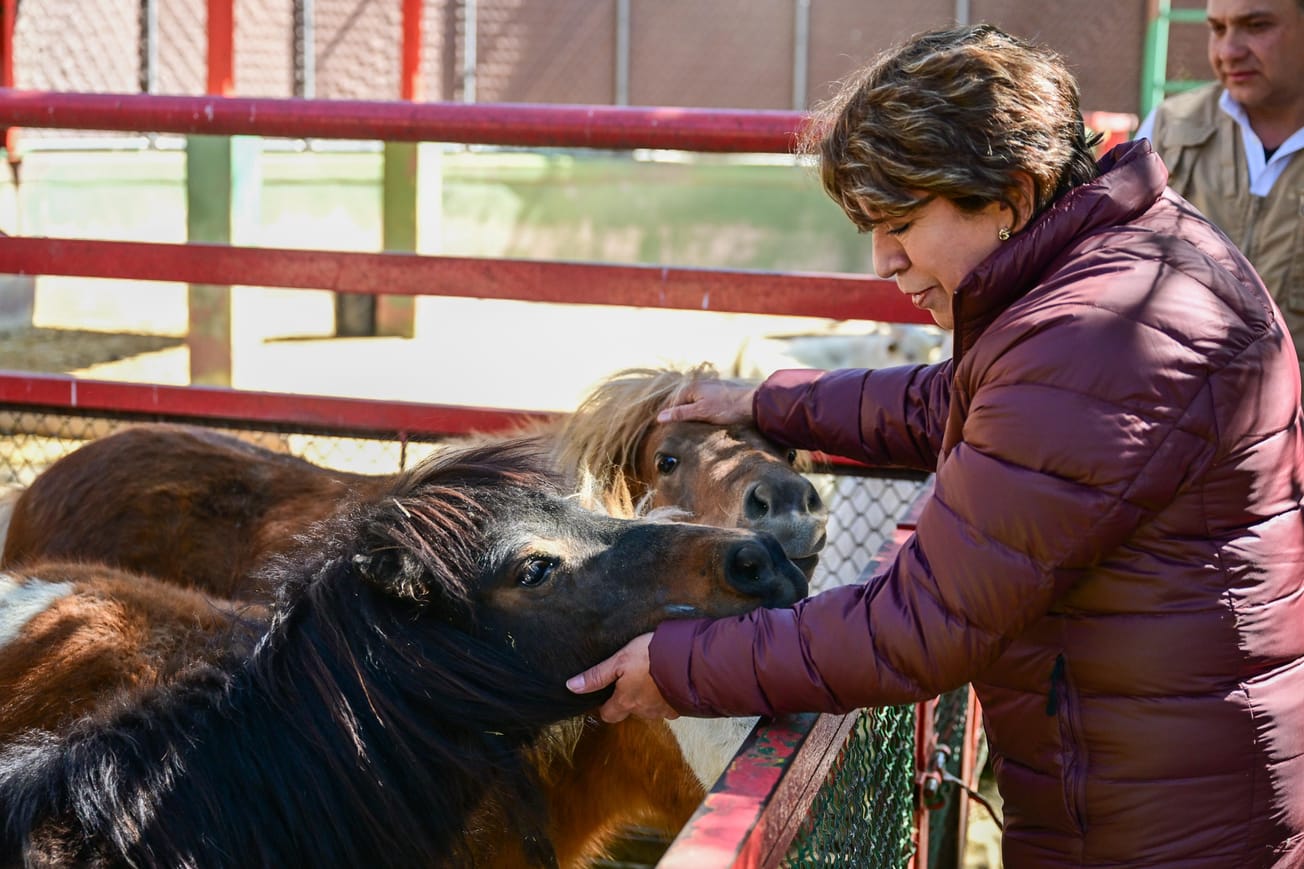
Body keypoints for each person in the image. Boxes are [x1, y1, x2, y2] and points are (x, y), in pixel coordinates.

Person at [567, 23, 1304, 868]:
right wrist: (768, 400)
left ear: (1011, 195)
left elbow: (916, 627)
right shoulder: (1125, 262)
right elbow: (968, 405)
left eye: (903, 222)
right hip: (1156, 770)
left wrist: (677, 665)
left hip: (1157, 823)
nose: (884, 259)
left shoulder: (1098, 339)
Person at [1134, 0, 1304, 389]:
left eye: (1256, 25)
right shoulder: (1167, 128)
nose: (1229, 50)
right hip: (1178, 420)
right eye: (1218, 28)